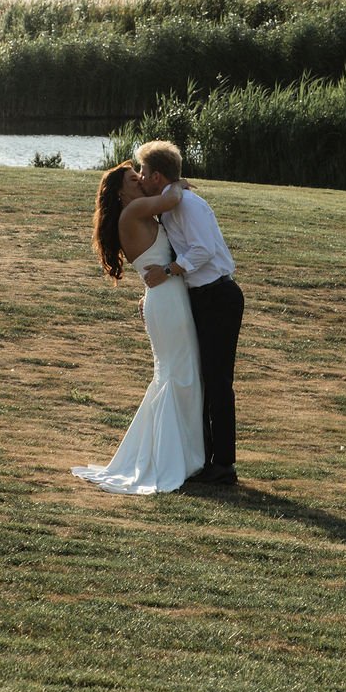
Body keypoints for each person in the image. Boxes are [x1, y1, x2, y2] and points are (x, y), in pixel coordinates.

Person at [72, 163, 204, 494]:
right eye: (135, 179)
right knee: (178, 373)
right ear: (121, 191)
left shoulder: (135, 213)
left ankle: (178, 452)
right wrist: (179, 182)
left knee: (175, 372)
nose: (141, 182)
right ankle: (176, 457)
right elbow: (171, 197)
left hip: (165, 298)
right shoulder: (133, 210)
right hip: (167, 301)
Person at [133, 140, 243, 485]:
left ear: (157, 176)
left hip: (218, 296)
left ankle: (223, 464)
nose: (139, 178)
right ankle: (203, 458)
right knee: (202, 377)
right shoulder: (169, 205)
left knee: (217, 380)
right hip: (200, 297)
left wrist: (167, 273)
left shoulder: (188, 206)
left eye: (143, 172)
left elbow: (203, 250)